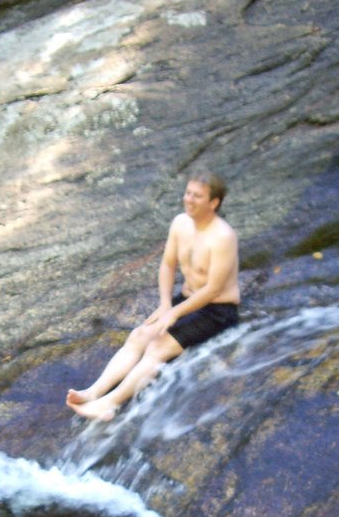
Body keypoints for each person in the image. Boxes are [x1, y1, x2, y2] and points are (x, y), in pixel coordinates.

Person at [67, 170, 240, 421]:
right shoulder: (180, 223)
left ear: (214, 203)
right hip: (187, 302)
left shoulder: (223, 237)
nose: (189, 200)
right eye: (188, 193)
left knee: (158, 346)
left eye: (198, 196)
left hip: (219, 312)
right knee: (139, 335)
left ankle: (110, 404)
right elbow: (167, 265)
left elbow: (213, 289)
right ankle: (94, 392)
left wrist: (174, 313)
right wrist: (164, 304)